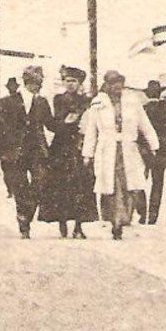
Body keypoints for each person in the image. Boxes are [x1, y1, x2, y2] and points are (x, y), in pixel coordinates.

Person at [82, 70, 160, 241]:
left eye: (120, 85)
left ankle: (123, 219)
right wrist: (87, 153)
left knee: (128, 186)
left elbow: (144, 124)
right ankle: (115, 223)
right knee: (111, 187)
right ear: (107, 86)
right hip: (107, 150)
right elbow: (91, 131)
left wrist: (154, 144)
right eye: (113, 85)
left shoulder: (132, 102)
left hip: (128, 150)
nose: (117, 88)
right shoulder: (98, 104)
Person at [0, 65, 52, 239]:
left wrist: (70, 123)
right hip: (13, 152)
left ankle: (26, 214)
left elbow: (50, 124)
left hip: (36, 151)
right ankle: (23, 222)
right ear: (27, 82)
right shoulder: (6, 102)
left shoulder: (42, 102)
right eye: (36, 82)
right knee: (19, 187)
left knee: (40, 182)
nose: (39, 85)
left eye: (40, 82)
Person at [38, 67, 99, 239]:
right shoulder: (59, 99)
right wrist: (66, 122)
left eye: (73, 81)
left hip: (79, 145)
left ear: (80, 83)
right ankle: (62, 221)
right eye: (67, 80)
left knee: (81, 185)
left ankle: (79, 225)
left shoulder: (87, 101)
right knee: (60, 185)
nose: (70, 84)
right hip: (61, 146)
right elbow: (56, 121)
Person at [141, 80, 166, 225]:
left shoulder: (143, 110)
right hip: (161, 152)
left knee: (139, 182)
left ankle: (142, 211)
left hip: (144, 151)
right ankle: (152, 214)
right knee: (157, 183)